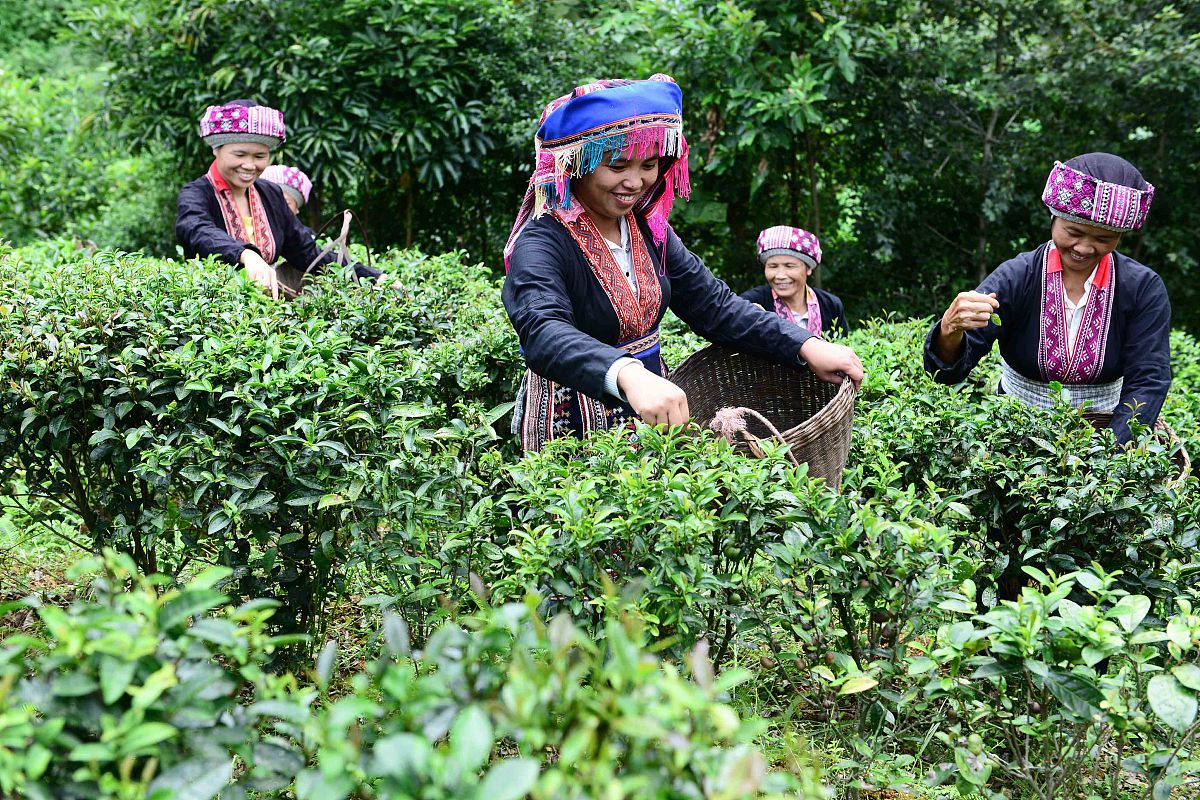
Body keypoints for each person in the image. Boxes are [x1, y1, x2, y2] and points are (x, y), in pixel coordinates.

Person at [502, 74, 863, 452]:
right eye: (618, 165)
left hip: (657, 417)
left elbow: (714, 306)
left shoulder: (648, 229)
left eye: (648, 164)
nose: (635, 182)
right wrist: (625, 374)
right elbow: (543, 329)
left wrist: (804, 345)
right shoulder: (543, 241)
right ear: (577, 163)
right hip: (572, 424)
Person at [925, 153, 1170, 443]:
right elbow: (946, 373)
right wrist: (950, 329)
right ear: (1054, 218)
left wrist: (1111, 454)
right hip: (1014, 436)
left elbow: (1149, 379)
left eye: (1103, 239)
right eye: (1074, 231)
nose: (1084, 247)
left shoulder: (1142, 288)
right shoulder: (1017, 277)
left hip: (1106, 435)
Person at [175, 99, 378, 299]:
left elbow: (307, 253)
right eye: (240, 154)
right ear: (216, 149)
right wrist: (246, 254)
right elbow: (196, 230)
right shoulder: (196, 194)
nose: (249, 165)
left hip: (270, 311)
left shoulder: (271, 194)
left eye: (260, 156)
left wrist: (373, 278)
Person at [741, 225, 849, 337]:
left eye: (789, 266)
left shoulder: (830, 305)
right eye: (773, 266)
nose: (780, 275)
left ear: (808, 268)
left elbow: (842, 345)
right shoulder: (751, 303)